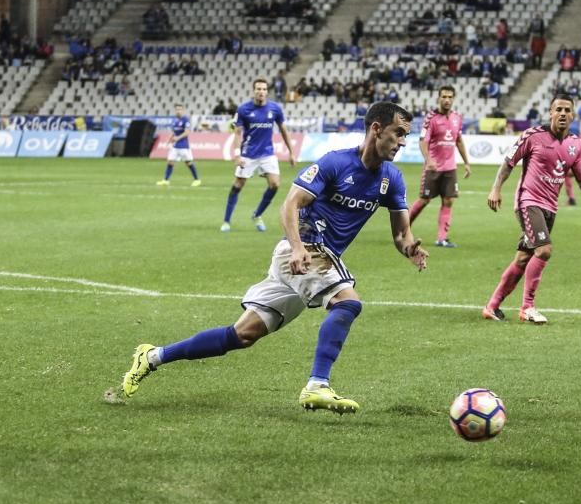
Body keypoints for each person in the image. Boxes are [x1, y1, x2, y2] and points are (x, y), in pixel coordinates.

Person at [117, 102, 429, 413]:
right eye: (398, 133)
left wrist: (411, 249)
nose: (402, 142)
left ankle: (153, 356)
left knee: (242, 334)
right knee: (348, 302)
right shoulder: (335, 163)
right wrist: (297, 247)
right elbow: (290, 204)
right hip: (303, 251)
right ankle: (317, 385)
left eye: (405, 135)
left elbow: (402, 235)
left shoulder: (392, 179)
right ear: (376, 128)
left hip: (309, 262)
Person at [481, 96, 581, 325]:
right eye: (559, 110)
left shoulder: (575, 144)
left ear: (573, 116)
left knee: (524, 258)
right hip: (528, 201)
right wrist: (495, 189)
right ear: (550, 113)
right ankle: (527, 307)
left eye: (568, 110)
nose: (563, 113)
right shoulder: (532, 136)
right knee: (544, 250)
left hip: (550, 208)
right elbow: (508, 163)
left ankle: (492, 306)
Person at [221, 79, 296, 233]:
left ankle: (257, 215)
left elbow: (283, 131)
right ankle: (226, 221)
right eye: (258, 89)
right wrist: (236, 154)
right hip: (248, 154)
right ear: (253, 91)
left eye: (263, 89)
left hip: (267, 153)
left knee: (275, 184)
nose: (261, 91)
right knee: (237, 186)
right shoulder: (243, 109)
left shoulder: (275, 108)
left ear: (267, 91)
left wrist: (292, 152)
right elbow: (237, 133)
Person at [408, 86, 471, 248]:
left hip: (450, 168)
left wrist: (466, 163)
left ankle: (442, 238)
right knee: (424, 200)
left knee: (448, 201)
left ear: (454, 99)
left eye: (450, 97)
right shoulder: (431, 118)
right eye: (444, 96)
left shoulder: (457, 118)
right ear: (438, 98)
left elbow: (458, 140)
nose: (447, 100)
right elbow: (423, 141)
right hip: (433, 168)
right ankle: (403, 228)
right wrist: (428, 160)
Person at [156, 104, 201, 187]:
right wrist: (170, 139)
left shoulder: (185, 120)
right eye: (177, 109)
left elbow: (187, 132)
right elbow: (174, 132)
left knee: (188, 162)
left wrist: (177, 138)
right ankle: (166, 180)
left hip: (183, 145)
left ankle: (197, 179)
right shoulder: (174, 121)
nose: (178, 111)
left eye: (180, 109)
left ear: (183, 110)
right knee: (170, 162)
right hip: (175, 146)